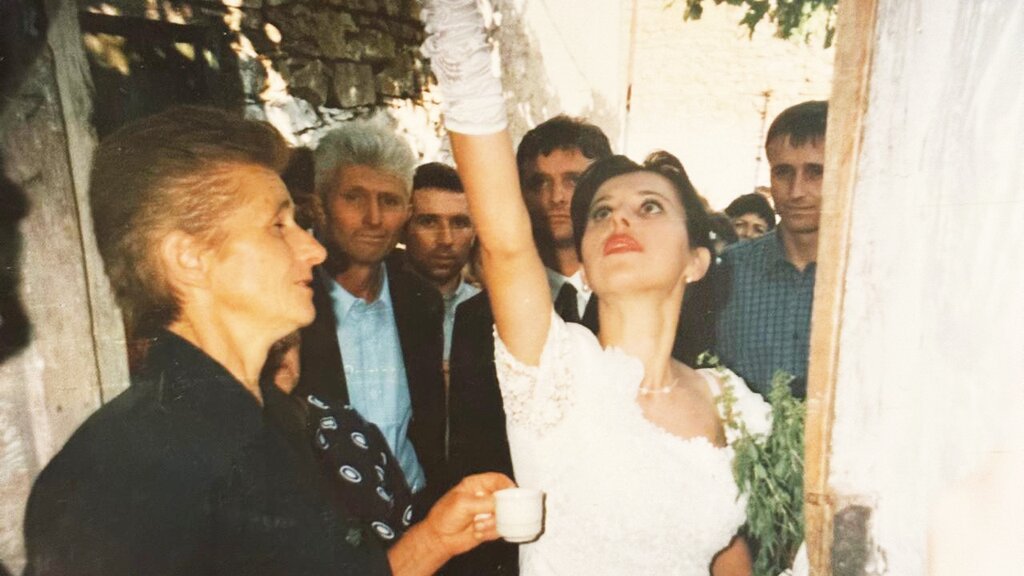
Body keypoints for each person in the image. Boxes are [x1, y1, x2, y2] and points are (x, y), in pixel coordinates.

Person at [21, 106, 513, 576]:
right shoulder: (121, 471)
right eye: (278, 226)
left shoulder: (271, 420)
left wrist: (433, 539)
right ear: (189, 258)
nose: (313, 248)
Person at [422, 2, 770, 574]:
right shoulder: (554, 367)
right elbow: (505, 241)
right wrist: (454, 18)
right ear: (584, 254)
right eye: (601, 213)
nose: (619, 219)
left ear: (696, 261)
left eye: (649, 207)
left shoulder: (730, 400)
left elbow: (728, 550)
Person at [445, 115, 612, 576]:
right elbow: (473, 450)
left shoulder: (634, 303)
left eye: (572, 180)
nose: (555, 197)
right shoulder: (477, 316)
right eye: (539, 182)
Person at [295, 120, 448, 511]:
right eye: (354, 198)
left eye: (390, 201)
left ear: (408, 212)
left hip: (415, 510)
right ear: (319, 204)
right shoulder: (289, 300)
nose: (374, 219)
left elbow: (428, 429)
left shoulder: (420, 302)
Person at [714, 101, 828, 397]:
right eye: (784, 172)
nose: (796, 191)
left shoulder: (866, 277)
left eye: (815, 172)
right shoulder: (728, 271)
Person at [403, 162, 479, 363]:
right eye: (429, 222)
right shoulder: (379, 305)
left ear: (475, 232)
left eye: (459, 223)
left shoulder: (491, 312)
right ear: (403, 227)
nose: (446, 239)